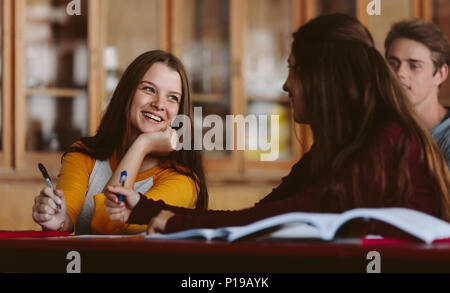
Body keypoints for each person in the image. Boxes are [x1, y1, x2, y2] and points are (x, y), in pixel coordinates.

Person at [104, 14, 450, 236]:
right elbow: (258, 216)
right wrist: (146, 208)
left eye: (294, 69)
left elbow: (282, 218)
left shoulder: (385, 139)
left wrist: (177, 222)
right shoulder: (334, 151)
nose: (286, 85)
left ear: (322, 79)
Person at [31, 50, 208, 234]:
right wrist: (56, 219)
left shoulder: (183, 180)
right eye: (149, 89)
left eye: (172, 97)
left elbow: (108, 224)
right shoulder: (83, 155)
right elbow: (66, 221)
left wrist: (142, 145)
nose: (159, 104)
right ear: (127, 93)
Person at [385, 19, 450, 168]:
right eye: (393, 64)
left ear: (440, 74)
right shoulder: (384, 130)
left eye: (414, 66)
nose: (399, 73)